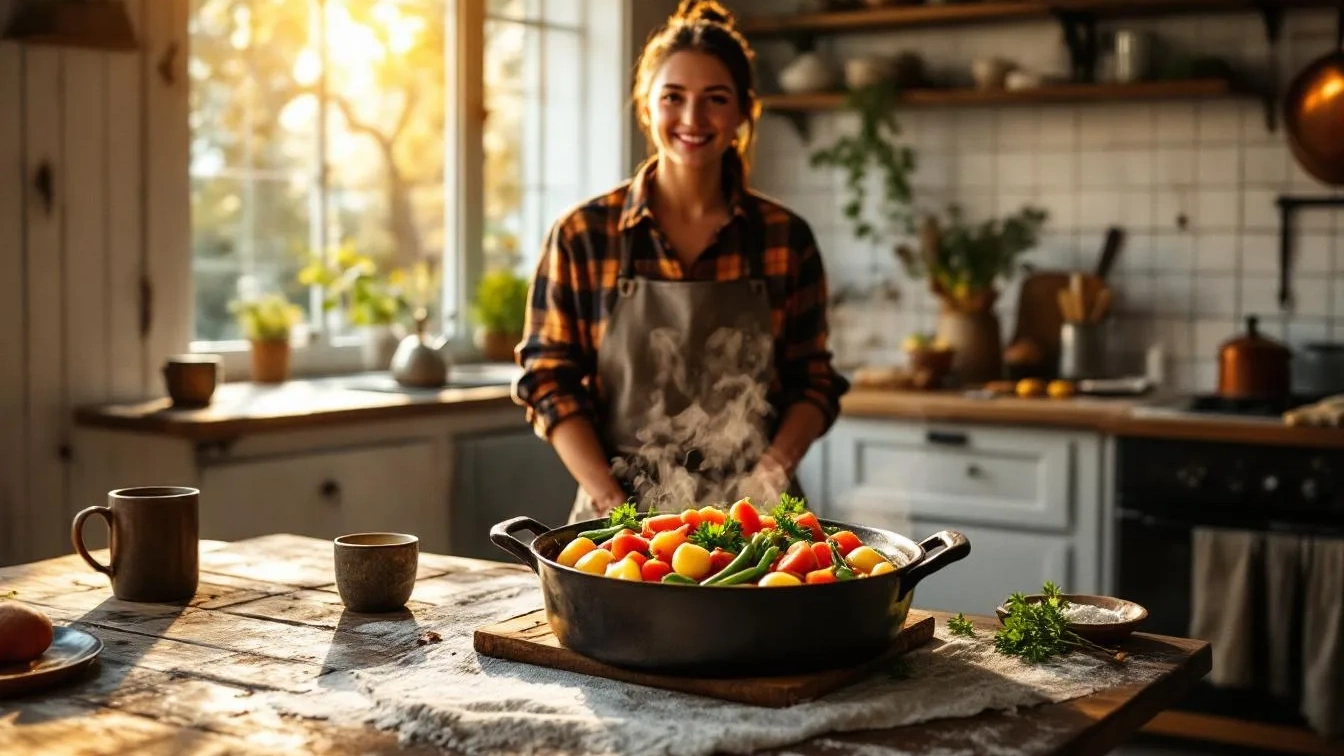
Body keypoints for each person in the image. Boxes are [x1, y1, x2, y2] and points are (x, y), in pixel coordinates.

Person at [512, 0, 849, 523]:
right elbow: (547, 379)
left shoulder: (785, 238)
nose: (692, 119)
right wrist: (609, 500)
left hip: (756, 519)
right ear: (646, 107)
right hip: (614, 515)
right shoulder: (584, 234)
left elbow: (813, 381)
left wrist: (768, 477)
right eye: (673, 97)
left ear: (742, 112)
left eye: (715, 99)